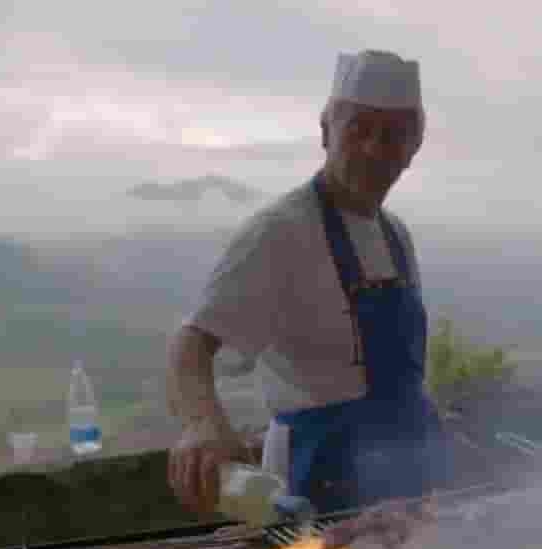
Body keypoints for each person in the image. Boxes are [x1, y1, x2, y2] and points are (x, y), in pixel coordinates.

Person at [165, 49, 451, 517]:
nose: (375, 148)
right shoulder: (280, 230)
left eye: (395, 135)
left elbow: (401, 373)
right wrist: (203, 425)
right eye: (358, 128)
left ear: (414, 147)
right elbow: (190, 345)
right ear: (326, 131)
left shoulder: (395, 233)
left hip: (413, 471)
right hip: (316, 479)